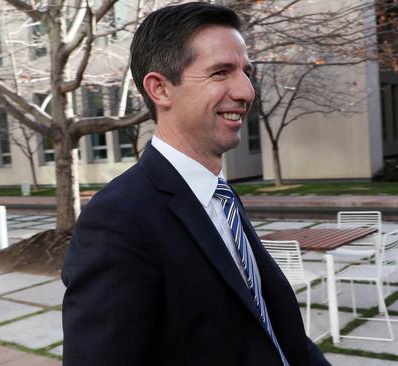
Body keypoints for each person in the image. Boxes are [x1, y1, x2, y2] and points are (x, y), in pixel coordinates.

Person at [61, 2, 331, 365]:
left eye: (246, 72)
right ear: (160, 89)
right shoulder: (117, 219)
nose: (246, 91)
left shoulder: (220, 195)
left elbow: (276, 331)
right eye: (221, 72)